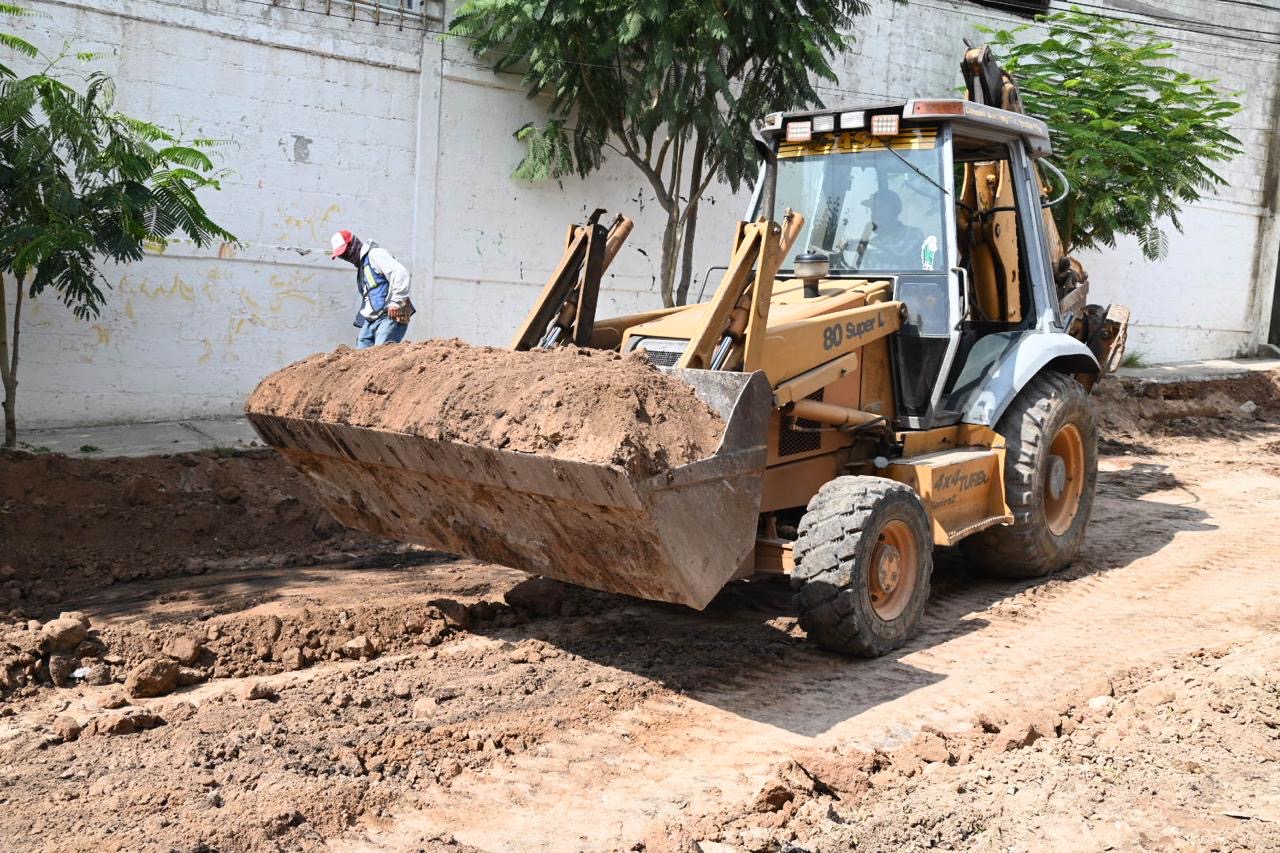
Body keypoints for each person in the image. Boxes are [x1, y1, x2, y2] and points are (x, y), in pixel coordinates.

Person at [329, 229, 413, 348]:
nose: (345, 257)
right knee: (361, 353)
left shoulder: (375, 254)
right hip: (372, 319)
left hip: (390, 315)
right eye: (341, 256)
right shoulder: (362, 266)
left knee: (380, 354)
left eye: (345, 253)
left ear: (353, 245)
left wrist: (396, 302)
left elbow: (400, 273)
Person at [857, 189, 924, 271]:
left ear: (894, 210)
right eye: (873, 210)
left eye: (880, 208)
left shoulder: (912, 234)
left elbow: (900, 252)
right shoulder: (874, 243)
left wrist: (863, 245)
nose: (874, 214)